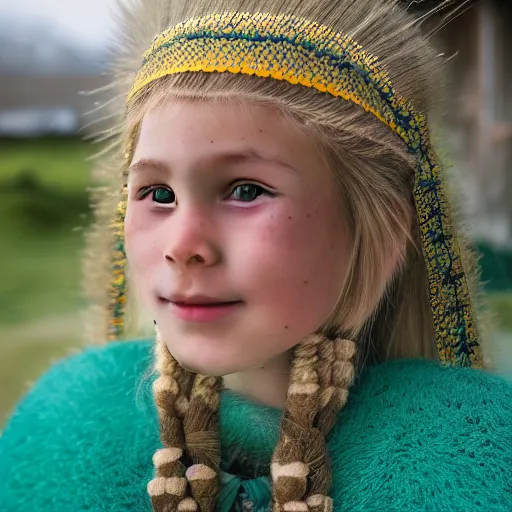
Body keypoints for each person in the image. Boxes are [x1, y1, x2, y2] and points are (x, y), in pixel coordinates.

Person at [1, 0, 511, 510]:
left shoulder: (475, 467)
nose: (183, 246)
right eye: (157, 194)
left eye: (245, 190)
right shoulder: (60, 430)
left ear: (382, 231)